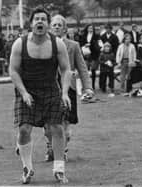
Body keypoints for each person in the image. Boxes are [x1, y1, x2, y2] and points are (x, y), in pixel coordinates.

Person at [9, 7, 71, 184]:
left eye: (44, 19)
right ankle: (27, 168)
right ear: (31, 24)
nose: (40, 22)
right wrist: (24, 93)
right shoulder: (19, 43)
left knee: (57, 129)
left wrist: (65, 92)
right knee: (24, 129)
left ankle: (59, 170)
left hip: (51, 90)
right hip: (27, 90)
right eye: (37, 19)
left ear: (48, 24)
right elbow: (13, 71)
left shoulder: (56, 43)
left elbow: (66, 70)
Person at [44, 15, 93, 162]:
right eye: (54, 25)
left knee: (65, 122)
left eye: (60, 25)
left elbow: (82, 68)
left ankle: (63, 151)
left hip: (68, 87)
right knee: (47, 125)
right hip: (48, 88)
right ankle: (50, 147)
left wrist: (88, 87)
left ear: (65, 28)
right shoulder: (43, 45)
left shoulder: (73, 45)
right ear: (49, 27)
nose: (57, 27)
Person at [80, 24, 101, 90]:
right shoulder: (83, 36)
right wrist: (85, 45)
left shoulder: (96, 36)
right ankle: (85, 86)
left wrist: (91, 45)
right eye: (89, 28)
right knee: (85, 71)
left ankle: (93, 86)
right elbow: (81, 44)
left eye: (92, 28)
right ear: (87, 29)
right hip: (86, 55)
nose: (90, 29)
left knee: (93, 71)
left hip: (94, 55)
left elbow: (99, 46)